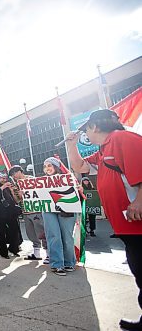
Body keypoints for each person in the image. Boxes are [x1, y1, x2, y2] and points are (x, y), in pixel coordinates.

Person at [65, 109, 142, 329]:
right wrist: (72, 144)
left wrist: (139, 201)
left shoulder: (122, 138)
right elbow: (80, 167)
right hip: (128, 225)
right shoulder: (104, 149)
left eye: (87, 128)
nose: (87, 132)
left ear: (95, 127)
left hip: (137, 221)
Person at [41, 157, 79, 276]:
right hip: (48, 210)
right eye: (45, 166)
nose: (47, 168)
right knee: (53, 235)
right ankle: (57, 264)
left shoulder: (68, 178)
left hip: (66, 209)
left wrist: (79, 189)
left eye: (50, 165)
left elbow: (78, 192)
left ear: (56, 166)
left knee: (67, 236)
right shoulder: (40, 182)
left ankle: (69, 262)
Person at [9, 165, 48, 262]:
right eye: (12, 175)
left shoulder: (32, 180)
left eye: (14, 173)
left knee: (42, 232)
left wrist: (26, 192)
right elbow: (17, 200)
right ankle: (36, 253)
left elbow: (40, 193)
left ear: (20, 171)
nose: (14, 176)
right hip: (26, 211)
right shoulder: (16, 184)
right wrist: (13, 192)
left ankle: (49, 254)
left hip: (36, 210)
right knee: (31, 233)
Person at [0, 172, 23, 259]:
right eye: (2, 178)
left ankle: (13, 249)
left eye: (5, 178)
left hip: (11, 212)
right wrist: (2, 188)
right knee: (1, 232)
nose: (4, 180)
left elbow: (16, 200)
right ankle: (4, 252)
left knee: (15, 231)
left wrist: (12, 190)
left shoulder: (9, 186)